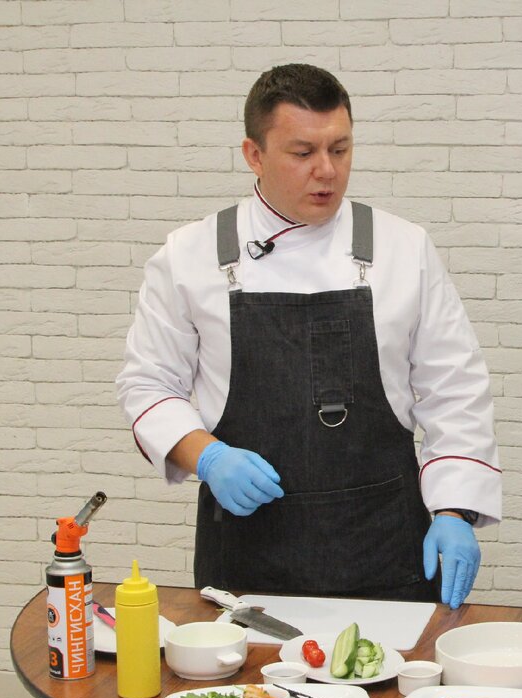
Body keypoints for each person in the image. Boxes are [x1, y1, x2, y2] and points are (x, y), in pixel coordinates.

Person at [117, 63, 501, 610]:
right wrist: (207, 457)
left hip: (386, 550)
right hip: (248, 550)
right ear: (254, 154)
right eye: (303, 153)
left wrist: (454, 512)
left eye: (340, 150)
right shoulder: (190, 255)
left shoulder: (403, 248)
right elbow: (148, 384)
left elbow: (455, 390)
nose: (327, 171)